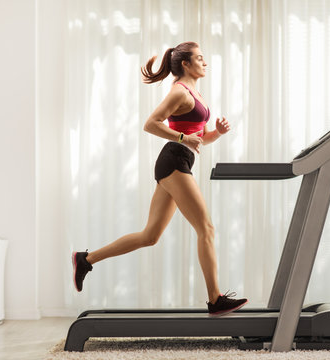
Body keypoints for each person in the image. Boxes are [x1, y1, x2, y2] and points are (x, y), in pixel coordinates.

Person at [72, 41, 248, 316]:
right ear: (186, 64)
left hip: (178, 160)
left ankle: (86, 259)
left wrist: (217, 133)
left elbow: (197, 139)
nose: (205, 62)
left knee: (149, 236)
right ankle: (215, 299)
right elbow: (151, 123)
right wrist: (181, 137)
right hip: (174, 161)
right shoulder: (180, 91)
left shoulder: (194, 92)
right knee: (207, 229)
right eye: (200, 59)